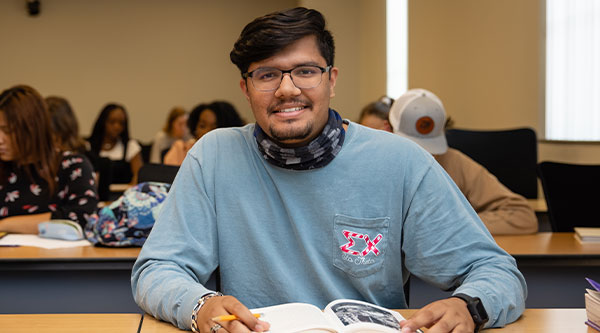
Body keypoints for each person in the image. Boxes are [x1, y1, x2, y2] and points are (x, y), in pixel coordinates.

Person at [132, 7, 526, 333]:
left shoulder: (401, 162)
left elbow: (495, 271)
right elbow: (157, 269)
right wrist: (201, 306)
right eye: (267, 75)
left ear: (331, 80)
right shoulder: (213, 156)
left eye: (305, 71)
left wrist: (468, 306)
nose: (287, 89)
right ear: (246, 89)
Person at [388, 88, 538, 235]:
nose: (424, 156)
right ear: (388, 130)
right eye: (412, 148)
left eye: (430, 150)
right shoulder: (375, 166)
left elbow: (522, 216)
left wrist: (450, 224)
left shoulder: (453, 162)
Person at [0, 85, 98, 232]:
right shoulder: (4, 168)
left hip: (54, 254)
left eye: (7, 131)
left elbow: (82, 217)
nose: (0, 139)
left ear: (32, 128)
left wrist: (5, 225)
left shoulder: (72, 166)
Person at [163, 101, 244, 166]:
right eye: (202, 126)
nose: (207, 133)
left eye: (215, 128)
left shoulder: (236, 159)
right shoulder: (181, 151)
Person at [87, 103, 143, 184]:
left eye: (121, 123)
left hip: (122, 193)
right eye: (112, 122)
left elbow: (138, 174)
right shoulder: (88, 146)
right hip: (94, 194)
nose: (117, 127)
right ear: (103, 122)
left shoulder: (130, 146)